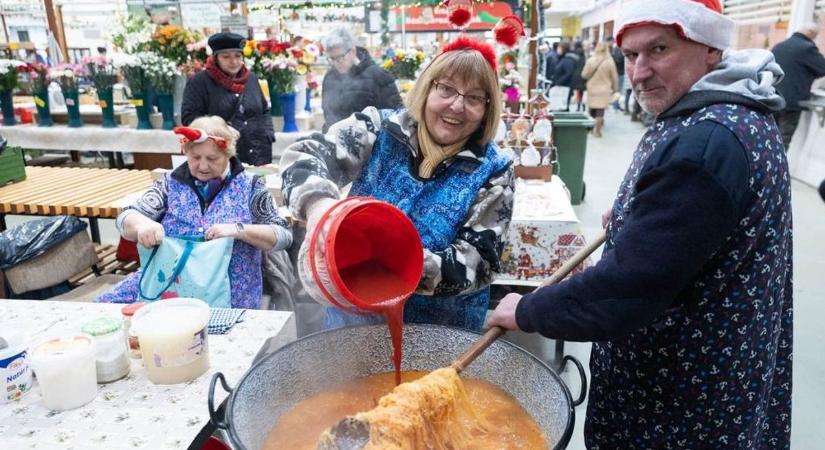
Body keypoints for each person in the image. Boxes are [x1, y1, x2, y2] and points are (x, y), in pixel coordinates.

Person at [487, 1, 792, 448]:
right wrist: (640, 214)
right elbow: (701, 226)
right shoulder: (737, 108)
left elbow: (626, 291)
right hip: (726, 367)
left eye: (659, 49)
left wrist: (528, 310)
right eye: (630, 56)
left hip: (680, 399)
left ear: (710, 48)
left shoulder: (705, 143)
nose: (639, 72)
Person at [280, 36, 515, 331]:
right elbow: (304, 154)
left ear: (487, 109)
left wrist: (401, 263)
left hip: (441, 334)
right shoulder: (379, 128)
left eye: (474, 98)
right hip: (354, 323)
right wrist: (318, 206)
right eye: (446, 89)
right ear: (427, 88)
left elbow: (480, 262)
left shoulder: (494, 170)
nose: (457, 105)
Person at [97, 116, 292, 309]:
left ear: (228, 154)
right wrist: (142, 225)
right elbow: (125, 217)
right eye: (195, 158)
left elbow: (283, 235)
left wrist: (238, 230)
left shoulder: (250, 186)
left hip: (230, 296)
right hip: (168, 284)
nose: (203, 166)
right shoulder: (170, 184)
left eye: (212, 158)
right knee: (104, 309)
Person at [182, 32, 275, 166]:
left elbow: (264, 110)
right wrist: (219, 129)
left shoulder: (251, 78)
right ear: (216, 58)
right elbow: (189, 118)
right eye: (226, 57)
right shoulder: (199, 82)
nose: (234, 61)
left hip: (259, 152)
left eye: (238, 55)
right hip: (222, 155)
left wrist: (268, 135)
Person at [320, 28, 402, 132]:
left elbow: (394, 115)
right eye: (331, 59)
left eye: (340, 58)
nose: (336, 63)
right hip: (336, 139)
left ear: (352, 51)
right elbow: (328, 113)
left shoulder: (379, 76)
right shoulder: (329, 78)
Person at [771, 22, 825, 149]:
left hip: (772, 98)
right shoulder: (807, 48)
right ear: (811, 34)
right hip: (791, 103)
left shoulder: (779, 46)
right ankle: (777, 168)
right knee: (783, 140)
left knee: (770, 137)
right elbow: (822, 68)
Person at [581, 41, 618, 137]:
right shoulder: (610, 61)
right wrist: (615, 89)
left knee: (592, 109)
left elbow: (584, 74)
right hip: (604, 89)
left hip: (592, 88)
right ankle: (597, 131)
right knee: (600, 111)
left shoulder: (591, 60)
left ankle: (590, 128)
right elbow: (614, 77)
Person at [550, 41, 579, 110]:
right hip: (562, 87)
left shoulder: (567, 60)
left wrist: (559, 82)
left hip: (564, 88)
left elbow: (569, 73)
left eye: (559, 48)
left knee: (560, 107)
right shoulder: (562, 59)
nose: (557, 50)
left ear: (563, 49)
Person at [606, 36, 626, 111]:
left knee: (617, 90)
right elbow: (618, 60)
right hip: (618, 72)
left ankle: (616, 104)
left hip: (618, 72)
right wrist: (624, 57)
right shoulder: (618, 49)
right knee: (617, 90)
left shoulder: (615, 49)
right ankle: (615, 104)